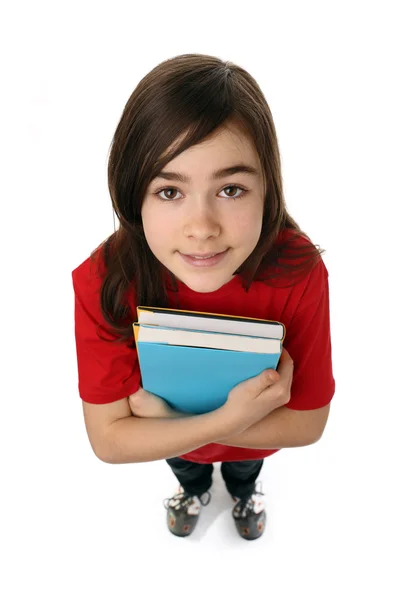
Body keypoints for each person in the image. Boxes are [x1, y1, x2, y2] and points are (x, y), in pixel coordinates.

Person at [72, 53, 335, 541]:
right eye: (170, 192)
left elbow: (307, 426)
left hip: (223, 440)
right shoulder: (104, 279)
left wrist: (173, 420)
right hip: (185, 443)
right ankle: (192, 490)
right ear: (133, 195)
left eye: (231, 189)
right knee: (186, 466)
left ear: (268, 191)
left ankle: (244, 492)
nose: (202, 229)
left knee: (244, 470)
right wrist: (229, 419)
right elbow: (108, 441)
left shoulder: (299, 272)